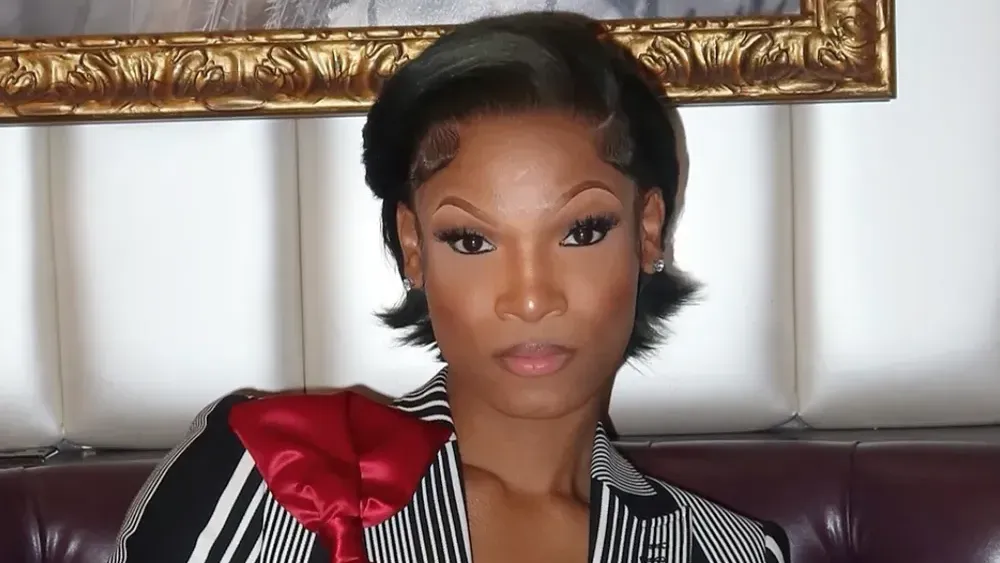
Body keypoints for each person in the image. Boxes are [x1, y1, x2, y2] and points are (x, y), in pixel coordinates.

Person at [107, 10, 790, 563]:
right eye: (471, 240)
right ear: (414, 247)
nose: (530, 298)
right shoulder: (270, 473)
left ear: (647, 231)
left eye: (581, 231)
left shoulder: (724, 551)